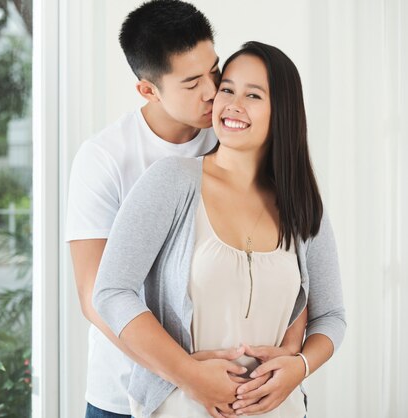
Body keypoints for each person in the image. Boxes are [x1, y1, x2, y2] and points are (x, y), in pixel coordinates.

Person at [66, 1, 307, 417]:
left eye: (214, 70)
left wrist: (286, 362)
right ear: (148, 89)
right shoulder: (105, 157)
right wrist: (183, 373)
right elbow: (95, 296)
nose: (213, 92)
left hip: (232, 388)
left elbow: (293, 267)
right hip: (125, 390)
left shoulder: (232, 137)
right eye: (192, 82)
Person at [93, 41, 346, 418]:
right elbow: (111, 292)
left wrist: (301, 367)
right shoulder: (172, 181)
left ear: (283, 111)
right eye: (227, 88)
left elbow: (331, 317)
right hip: (182, 407)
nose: (232, 104)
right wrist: (190, 375)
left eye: (253, 95)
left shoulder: (302, 204)